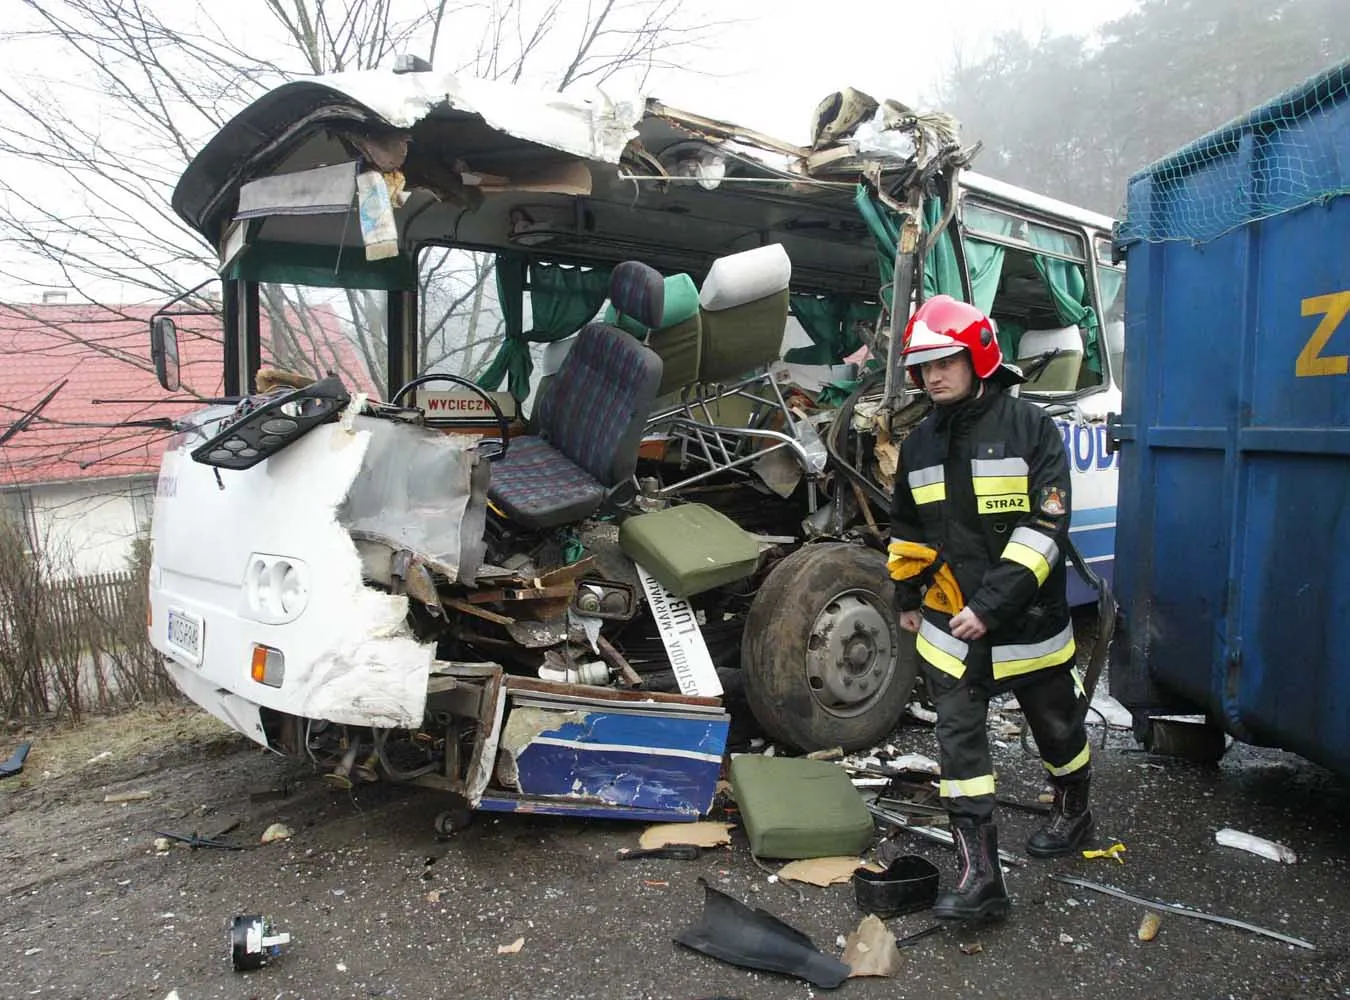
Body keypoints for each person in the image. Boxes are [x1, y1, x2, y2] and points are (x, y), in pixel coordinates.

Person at [887, 294, 1092, 923]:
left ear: (977, 356)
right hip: (952, 632)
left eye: (944, 361)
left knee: (1056, 729)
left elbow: (1045, 528)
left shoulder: (1031, 429)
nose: (933, 376)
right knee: (959, 750)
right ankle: (982, 878)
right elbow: (908, 531)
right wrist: (906, 598)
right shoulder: (919, 443)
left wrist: (992, 605)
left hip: (1027, 625)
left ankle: (1076, 809)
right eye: (923, 367)